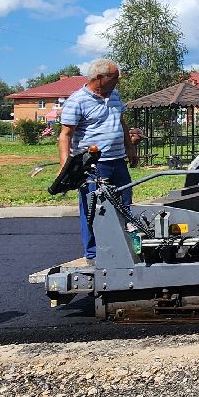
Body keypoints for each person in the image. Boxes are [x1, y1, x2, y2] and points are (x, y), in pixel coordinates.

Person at [58, 60, 142, 262]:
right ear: (98, 78)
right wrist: (65, 167)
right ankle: (94, 253)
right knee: (93, 209)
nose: (118, 82)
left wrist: (130, 148)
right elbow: (65, 136)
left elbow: (121, 122)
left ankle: (124, 248)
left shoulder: (114, 95)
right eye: (114, 78)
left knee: (124, 204)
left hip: (117, 161)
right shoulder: (77, 101)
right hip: (93, 166)